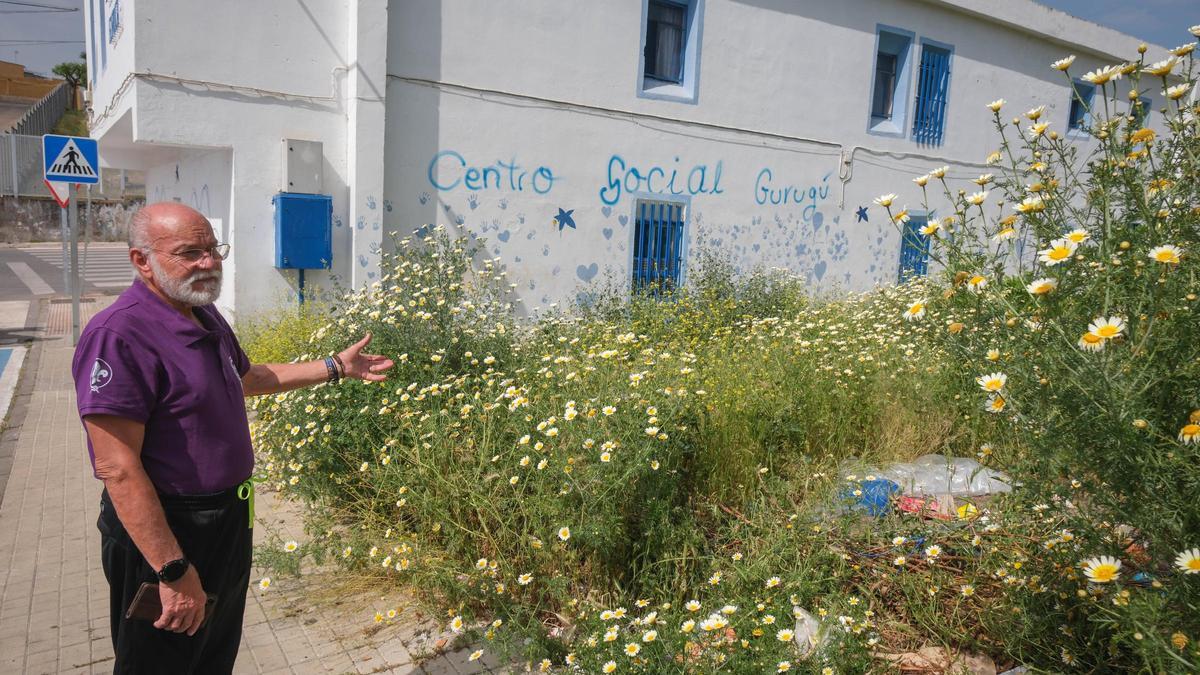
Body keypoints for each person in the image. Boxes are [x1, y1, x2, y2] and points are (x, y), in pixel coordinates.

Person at [71, 202, 393, 674]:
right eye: (189, 253)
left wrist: (335, 367)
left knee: (212, 654)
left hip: (227, 520)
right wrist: (173, 570)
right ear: (142, 260)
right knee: (160, 663)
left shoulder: (202, 314)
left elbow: (248, 377)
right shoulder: (119, 335)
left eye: (212, 249)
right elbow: (118, 467)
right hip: (169, 532)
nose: (208, 263)